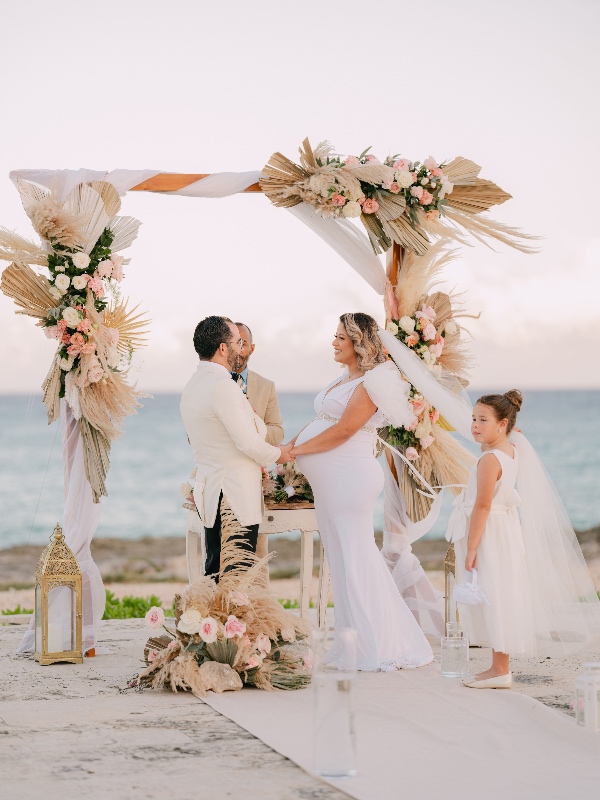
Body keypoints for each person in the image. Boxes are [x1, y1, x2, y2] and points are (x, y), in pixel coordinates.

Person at [287, 313, 434, 671]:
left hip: (350, 479)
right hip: (332, 484)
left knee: (357, 560)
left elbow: (344, 432)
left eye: (341, 337)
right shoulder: (343, 379)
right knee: (341, 561)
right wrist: (286, 447)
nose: (334, 342)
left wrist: (295, 452)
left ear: (359, 343)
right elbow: (322, 421)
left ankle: (381, 645)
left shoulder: (370, 384)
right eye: (334, 336)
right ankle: (353, 641)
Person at [448, 391, 600, 689]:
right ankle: (497, 667)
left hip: (491, 533)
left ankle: (500, 670)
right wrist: (512, 431)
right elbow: (516, 436)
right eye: (473, 419)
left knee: (495, 594)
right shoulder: (510, 448)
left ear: (502, 424)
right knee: (501, 592)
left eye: (483, 420)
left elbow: (482, 505)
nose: (475, 426)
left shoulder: (491, 459)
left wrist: (473, 547)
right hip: (505, 529)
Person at [181, 316, 291, 581]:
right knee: (236, 575)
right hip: (233, 496)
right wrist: (281, 454)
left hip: (212, 494)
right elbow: (249, 443)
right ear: (222, 348)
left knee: (216, 573)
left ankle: (211, 622)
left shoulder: (192, 386)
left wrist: (252, 421)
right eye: (237, 342)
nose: (240, 348)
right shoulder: (223, 387)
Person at [232, 322, 284, 447]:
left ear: (252, 348)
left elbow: (278, 434)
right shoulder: (211, 381)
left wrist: (254, 426)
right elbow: (193, 436)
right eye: (232, 344)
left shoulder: (266, 386)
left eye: (243, 344)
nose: (237, 350)